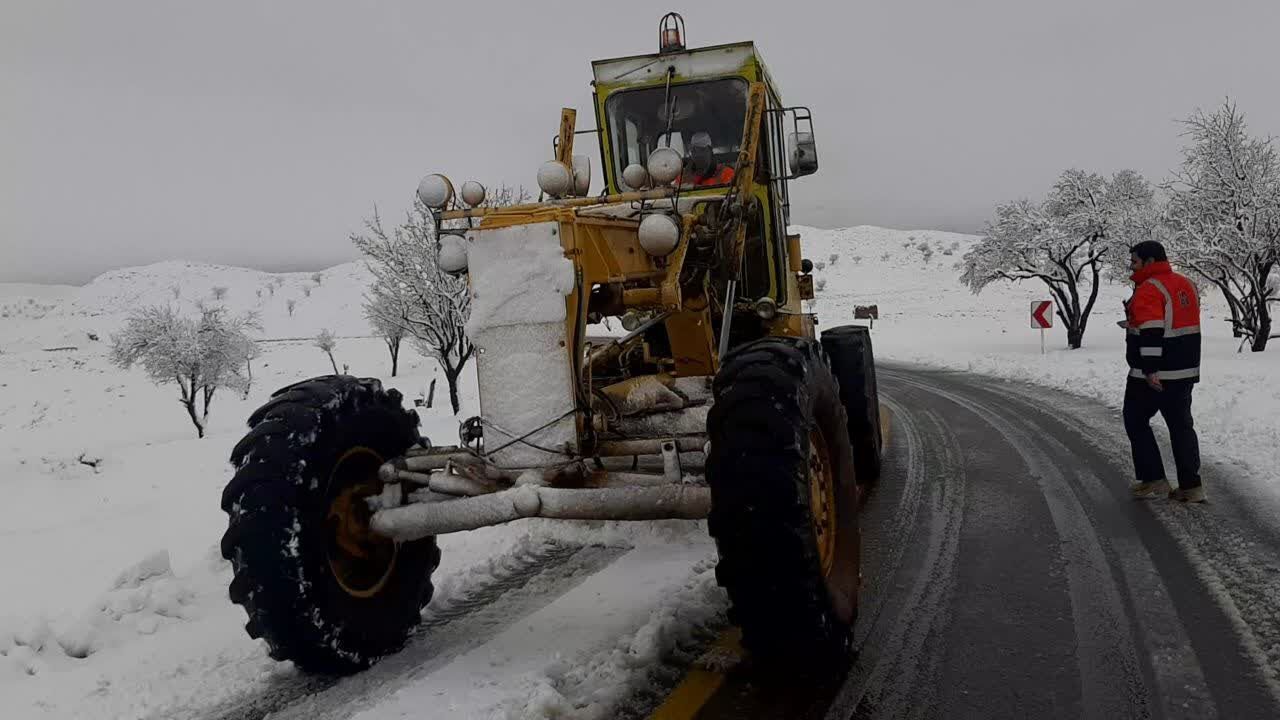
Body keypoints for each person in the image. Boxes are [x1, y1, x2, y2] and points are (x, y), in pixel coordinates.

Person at [1123, 240, 1205, 503]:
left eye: (1134, 261)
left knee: (1135, 420)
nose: (1131, 265)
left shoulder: (1149, 288)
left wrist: (1149, 370)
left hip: (1152, 374)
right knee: (1181, 426)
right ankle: (1191, 487)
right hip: (1185, 370)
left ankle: (1154, 478)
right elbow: (1176, 323)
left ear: (1148, 261)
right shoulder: (1186, 284)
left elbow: (1152, 332)